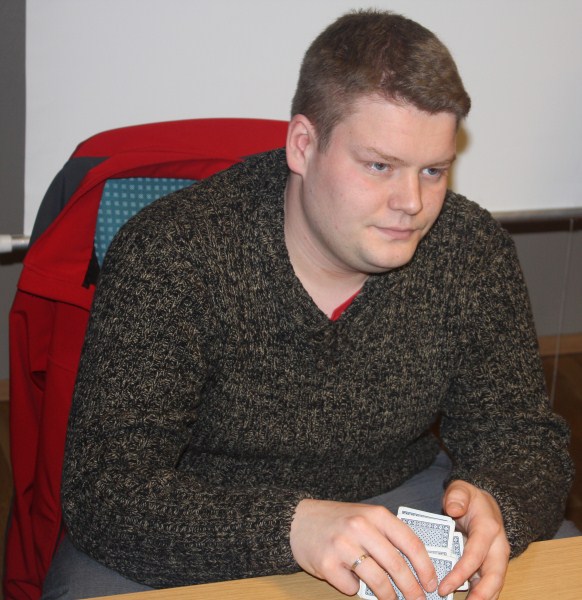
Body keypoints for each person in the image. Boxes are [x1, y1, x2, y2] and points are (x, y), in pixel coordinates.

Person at [42, 9, 575, 600]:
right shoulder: (174, 253)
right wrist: (291, 526)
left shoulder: (471, 250)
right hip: (195, 522)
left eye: (433, 170)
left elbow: (522, 437)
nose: (412, 203)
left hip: (402, 501)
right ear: (303, 145)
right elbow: (107, 490)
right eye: (380, 166)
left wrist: (499, 501)